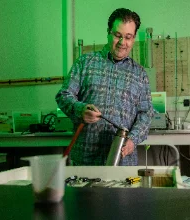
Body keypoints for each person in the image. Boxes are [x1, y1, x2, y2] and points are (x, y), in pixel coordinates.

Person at [55, 8, 154, 166]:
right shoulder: (85, 62)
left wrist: (133, 139)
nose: (122, 42)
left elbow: (146, 113)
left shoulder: (140, 73)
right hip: (86, 158)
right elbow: (64, 95)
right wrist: (80, 110)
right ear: (108, 32)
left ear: (134, 38)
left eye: (128, 37)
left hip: (122, 161)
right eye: (117, 35)